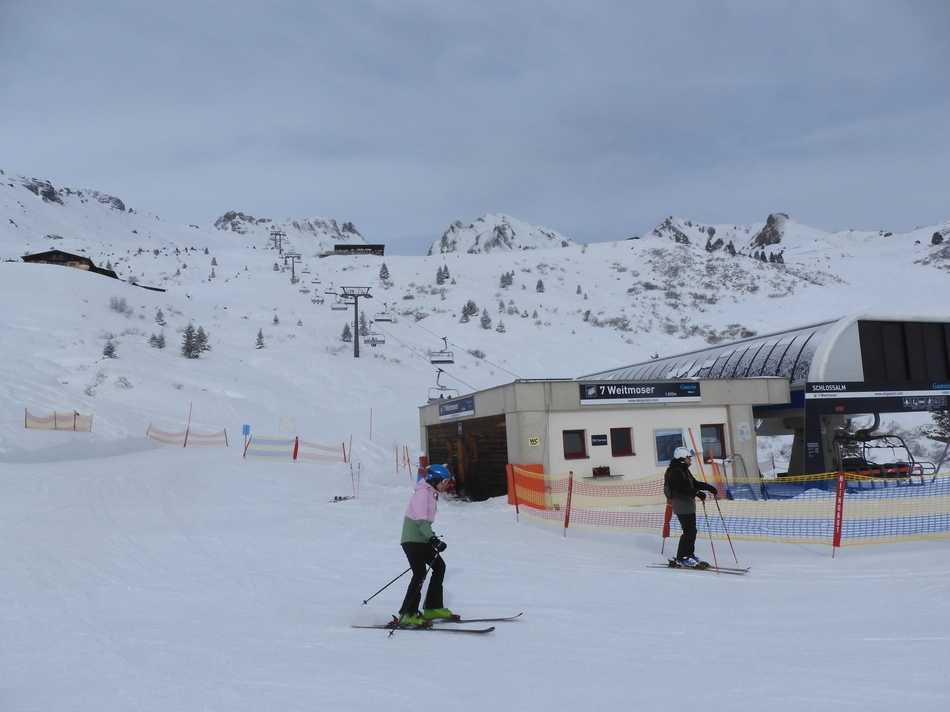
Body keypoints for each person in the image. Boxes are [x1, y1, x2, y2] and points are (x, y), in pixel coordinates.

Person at [396, 464, 454, 626]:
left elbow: (425, 523)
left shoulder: (430, 493)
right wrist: (433, 539)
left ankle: (433, 607)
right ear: (434, 480)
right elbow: (420, 521)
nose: (446, 485)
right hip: (412, 540)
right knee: (419, 573)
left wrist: (431, 538)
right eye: (444, 481)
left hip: (421, 539)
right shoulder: (422, 493)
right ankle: (407, 613)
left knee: (439, 566)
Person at [663, 446, 718, 567]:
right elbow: (680, 488)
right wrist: (697, 493)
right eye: (688, 457)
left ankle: (689, 554)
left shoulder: (684, 470)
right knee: (688, 531)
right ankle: (681, 557)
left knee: (692, 531)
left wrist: (709, 487)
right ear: (682, 458)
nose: (690, 459)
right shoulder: (674, 471)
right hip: (681, 504)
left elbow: (694, 484)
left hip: (688, 504)